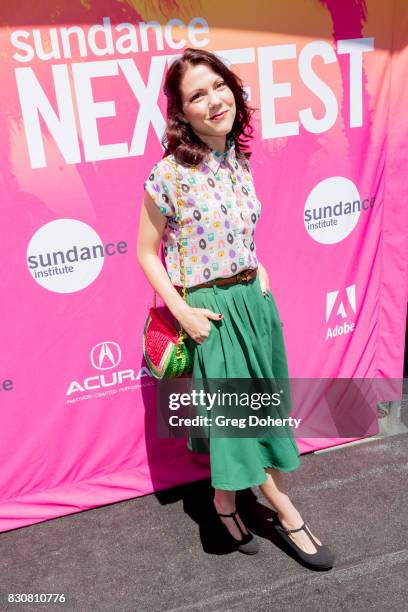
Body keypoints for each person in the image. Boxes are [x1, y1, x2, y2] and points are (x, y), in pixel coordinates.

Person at [137, 48, 334, 569]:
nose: (213, 100)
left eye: (218, 86)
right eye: (196, 95)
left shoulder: (237, 160)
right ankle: (289, 514)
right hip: (211, 315)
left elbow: (237, 234)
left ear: (232, 90)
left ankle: (225, 500)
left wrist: (259, 269)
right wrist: (185, 314)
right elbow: (144, 253)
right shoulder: (168, 175)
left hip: (253, 303)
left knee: (263, 412)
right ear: (182, 112)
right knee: (240, 420)